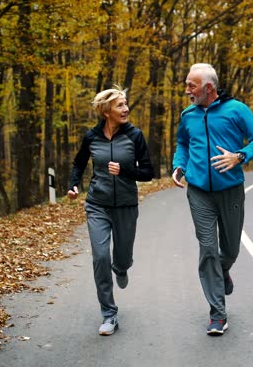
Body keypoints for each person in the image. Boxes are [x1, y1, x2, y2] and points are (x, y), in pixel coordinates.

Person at [171, 63, 253, 335]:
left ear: (209, 88)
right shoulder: (188, 114)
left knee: (230, 250)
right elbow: (183, 143)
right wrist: (179, 165)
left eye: (191, 85)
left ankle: (223, 269)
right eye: (187, 84)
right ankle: (218, 314)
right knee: (207, 249)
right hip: (199, 192)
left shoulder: (236, 110)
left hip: (230, 191)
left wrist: (239, 156)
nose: (187, 90)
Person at [67, 85, 154, 336]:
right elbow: (78, 164)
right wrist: (74, 186)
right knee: (100, 257)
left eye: (126, 104)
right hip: (97, 204)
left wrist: (125, 171)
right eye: (120, 105)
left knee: (121, 257)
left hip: (126, 205)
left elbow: (148, 173)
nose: (126, 109)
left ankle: (122, 267)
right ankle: (109, 314)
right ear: (107, 111)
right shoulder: (91, 137)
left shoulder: (135, 136)